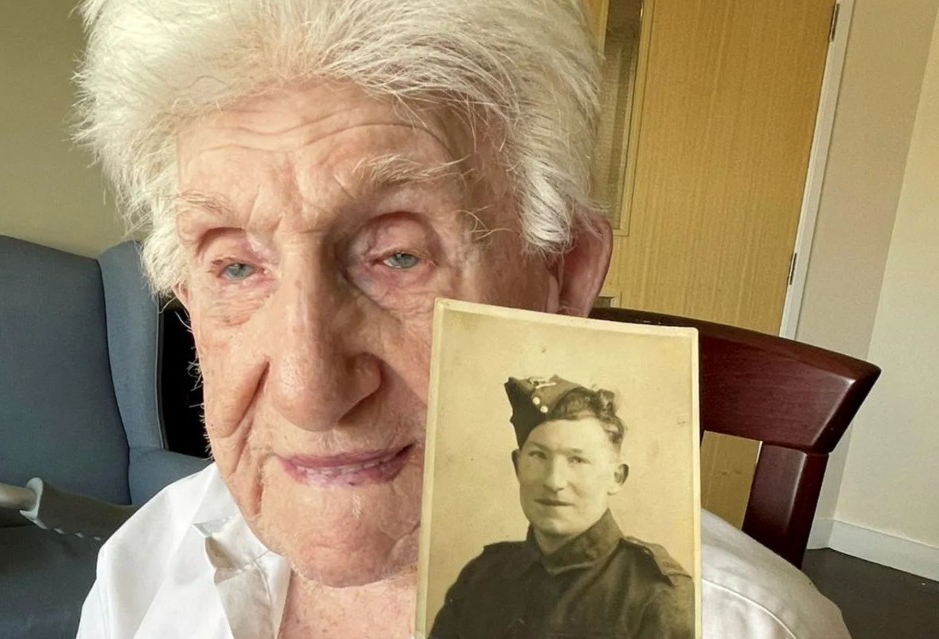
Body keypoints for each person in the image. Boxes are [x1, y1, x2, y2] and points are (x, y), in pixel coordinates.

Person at [72, 1, 853, 637]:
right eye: (236, 266)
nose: (308, 393)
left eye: (398, 255)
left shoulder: (748, 629)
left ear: (560, 273)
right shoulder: (148, 561)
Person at [429, 376, 695, 639]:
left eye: (577, 460)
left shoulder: (654, 594)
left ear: (616, 477)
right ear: (517, 465)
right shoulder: (483, 575)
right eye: (538, 456)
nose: (554, 481)